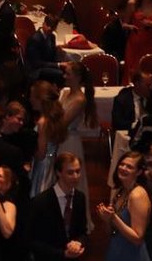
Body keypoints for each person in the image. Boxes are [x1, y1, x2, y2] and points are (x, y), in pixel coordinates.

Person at [28, 152, 88, 260]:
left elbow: (83, 232)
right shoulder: (40, 202)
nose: (75, 176)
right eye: (70, 172)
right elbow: (33, 241)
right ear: (58, 172)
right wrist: (62, 254)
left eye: (78, 171)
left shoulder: (80, 198)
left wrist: (78, 243)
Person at [58, 62, 97, 228]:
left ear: (78, 77)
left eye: (68, 74)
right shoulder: (66, 92)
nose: (64, 76)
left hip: (69, 141)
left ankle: (73, 220)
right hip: (61, 138)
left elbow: (63, 122)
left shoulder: (80, 99)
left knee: (70, 178)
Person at [98, 151, 151, 260]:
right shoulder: (120, 192)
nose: (123, 168)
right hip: (116, 249)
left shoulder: (138, 195)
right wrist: (107, 219)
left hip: (132, 254)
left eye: (129, 167)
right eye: (122, 164)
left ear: (139, 172)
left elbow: (138, 238)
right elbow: (111, 232)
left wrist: (114, 217)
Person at [29, 80, 68, 196]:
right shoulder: (52, 119)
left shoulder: (43, 122)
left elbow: (41, 153)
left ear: (40, 99)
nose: (30, 99)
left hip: (43, 166)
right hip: (51, 161)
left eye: (32, 96)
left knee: (39, 193)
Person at [25, 15, 66, 84]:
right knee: (61, 74)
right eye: (48, 25)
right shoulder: (35, 39)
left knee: (68, 71)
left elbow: (52, 57)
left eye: (52, 27)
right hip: (36, 70)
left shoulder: (52, 37)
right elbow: (36, 63)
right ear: (43, 24)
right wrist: (58, 65)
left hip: (46, 65)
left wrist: (58, 54)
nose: (50, 28)